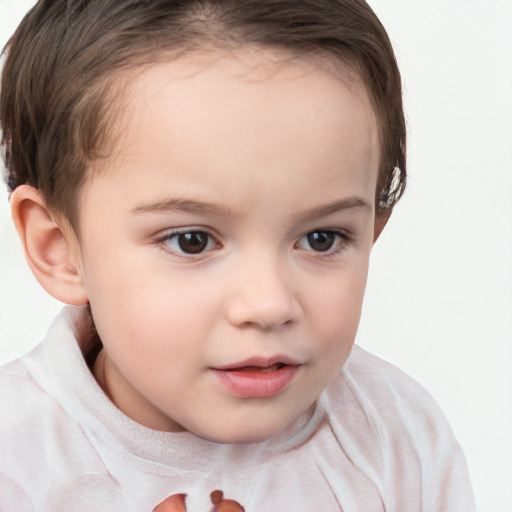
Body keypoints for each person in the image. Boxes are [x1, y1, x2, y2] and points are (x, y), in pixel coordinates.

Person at [0, 1, 475, 510]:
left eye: (322, 238)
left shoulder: (395, 438)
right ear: (60, 249)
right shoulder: (17, 461)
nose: (269, 305)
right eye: (192, 240)